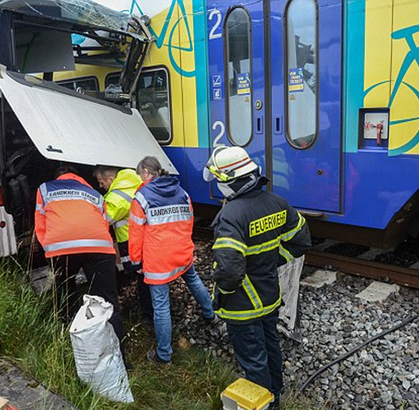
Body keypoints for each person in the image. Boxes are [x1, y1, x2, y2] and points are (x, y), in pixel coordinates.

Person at [202, 146, 312, 408]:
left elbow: (229, 271)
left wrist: (223, 296)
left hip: (242, 307)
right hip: (269, 296)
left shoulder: (229, 216)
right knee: (270, 346)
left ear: (229, 181)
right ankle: (276, 393)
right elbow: (302, 241)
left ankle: (265, 405)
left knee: (254, 360)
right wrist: (274, 260)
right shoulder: (277, 203)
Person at [129, 156, 216, 364]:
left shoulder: (141, 197)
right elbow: (189, 222)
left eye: (140, 174)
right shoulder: (182, 192)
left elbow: (135, 234)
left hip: (158, 261)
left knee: (161, 306)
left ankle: (164, 354)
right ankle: (210, 314)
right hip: (182, 252)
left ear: (147, 173)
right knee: (194, 281)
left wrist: (136, 261)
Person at [34, 164, 126, 354]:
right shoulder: (94, 194)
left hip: (61, 248)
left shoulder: (44, 189)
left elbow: (40, 225)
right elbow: (103, 222)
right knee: (108, 300)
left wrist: (49, 250)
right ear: (79, 178)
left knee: (65, 292)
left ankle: (69, 344)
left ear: (58, 177)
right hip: (99, 247)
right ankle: (120, 355)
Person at [94, 165, 153, 323]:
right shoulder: (135, 179)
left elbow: (103, 220)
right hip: (149, 235)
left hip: (132, 240)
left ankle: (149, 315)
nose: (100, 186)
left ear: (110, 179)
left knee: (142, 276)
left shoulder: (115, 197)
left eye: (101, 182)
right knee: (149, 274)